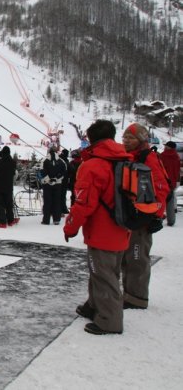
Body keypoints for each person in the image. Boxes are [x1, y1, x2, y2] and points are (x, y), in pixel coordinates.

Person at [63, 119, 132, 335]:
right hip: (123, 227)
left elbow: (84, 203)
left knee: (103, 274)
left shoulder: (93, 166)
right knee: (107, 271)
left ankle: (109, 320)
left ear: (90, 139)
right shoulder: (125, 160)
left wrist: (70, 227)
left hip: (102, 231)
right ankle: (94, 305)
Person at [121, 123, 169, 310]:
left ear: (141, 140)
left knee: (137, 257)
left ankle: (137, 298)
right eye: (124, 137)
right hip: (131, 215)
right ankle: (130, 293)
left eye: (130, 138)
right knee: (129, 257)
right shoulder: (131, 157)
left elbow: (161, 188)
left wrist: (156, 216)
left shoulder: (148, 158)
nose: (126, 141)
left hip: (142, 216)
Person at [40, 146, 67, 225]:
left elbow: (42, 171)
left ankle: (46, 220)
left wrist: (48, 179)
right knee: (56, 201)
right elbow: (64, 172)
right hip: (58, 184)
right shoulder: (61, 161)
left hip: (47, 184)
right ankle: (56, 219)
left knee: (47, 201)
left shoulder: (44, 160)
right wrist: (57, 178)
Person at [0, 146, 16, 228]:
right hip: (9, 186)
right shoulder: (13, 162)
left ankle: (2, 222)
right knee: (9, 204)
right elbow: (13, 173)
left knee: (0, 204)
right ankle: (10, 220)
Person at [160, 141, 180, 226]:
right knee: (170, 202)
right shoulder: (176, 156)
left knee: (160, 200)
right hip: (172, 182)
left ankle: (158, 218)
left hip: (163, 181)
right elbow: (178, 170)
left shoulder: (163, 156)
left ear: (169, 147)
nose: (164, 147)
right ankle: (171, 221)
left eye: (166, 146)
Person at [59, 148, 70, 214]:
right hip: (64, 180)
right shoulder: (65, 161)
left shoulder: (59, 159)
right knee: (63, 195)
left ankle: (60, 208)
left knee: (59, 194)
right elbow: (70, 170)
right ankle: (63, 208)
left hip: (59, 180)